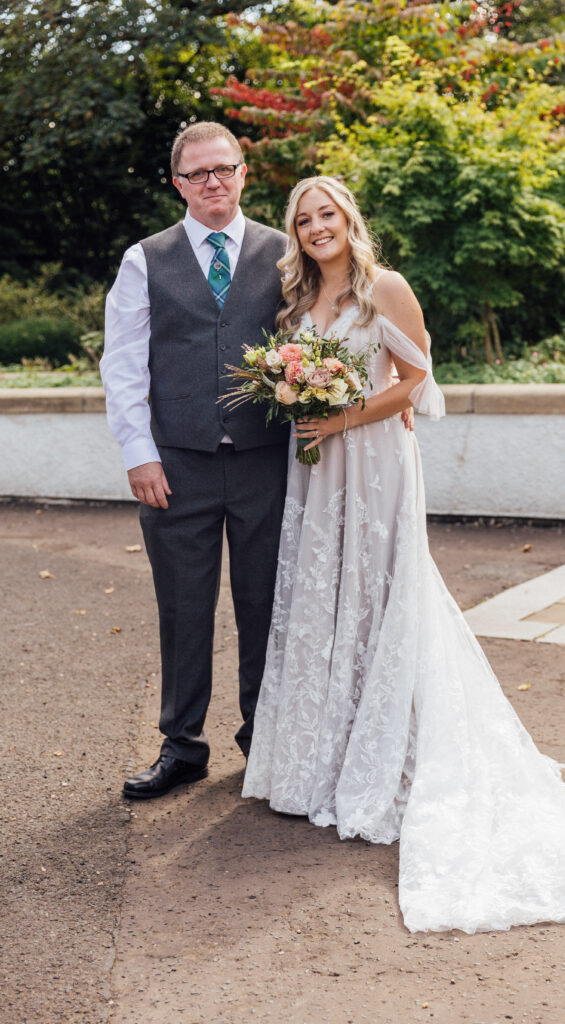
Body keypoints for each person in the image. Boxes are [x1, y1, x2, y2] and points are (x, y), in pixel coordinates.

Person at [242, 175, 565, 934]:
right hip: (315, 468)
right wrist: (301, 405)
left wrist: (340, 417)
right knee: (325, 593)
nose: (314, 227)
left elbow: (415, 380)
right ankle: (323, 757)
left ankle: (393, 753)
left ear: (348, 218)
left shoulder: (385, 289)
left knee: (379, 591)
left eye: (326, 214)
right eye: (303, 219)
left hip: (370, 460)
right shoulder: (296, 304)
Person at [101, 122, 291, 798]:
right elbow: (122, 365)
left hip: (267, 462)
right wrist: (139, 455)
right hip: (174, 465)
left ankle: (263, 741)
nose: (213, 181)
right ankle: (182, 746)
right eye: (198, 173)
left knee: (265, 603)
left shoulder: (286, 251)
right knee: (183, 607)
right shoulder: (144, 258)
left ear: (244, 172)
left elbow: (324, 338)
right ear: (178, 183)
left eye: (224, 169)